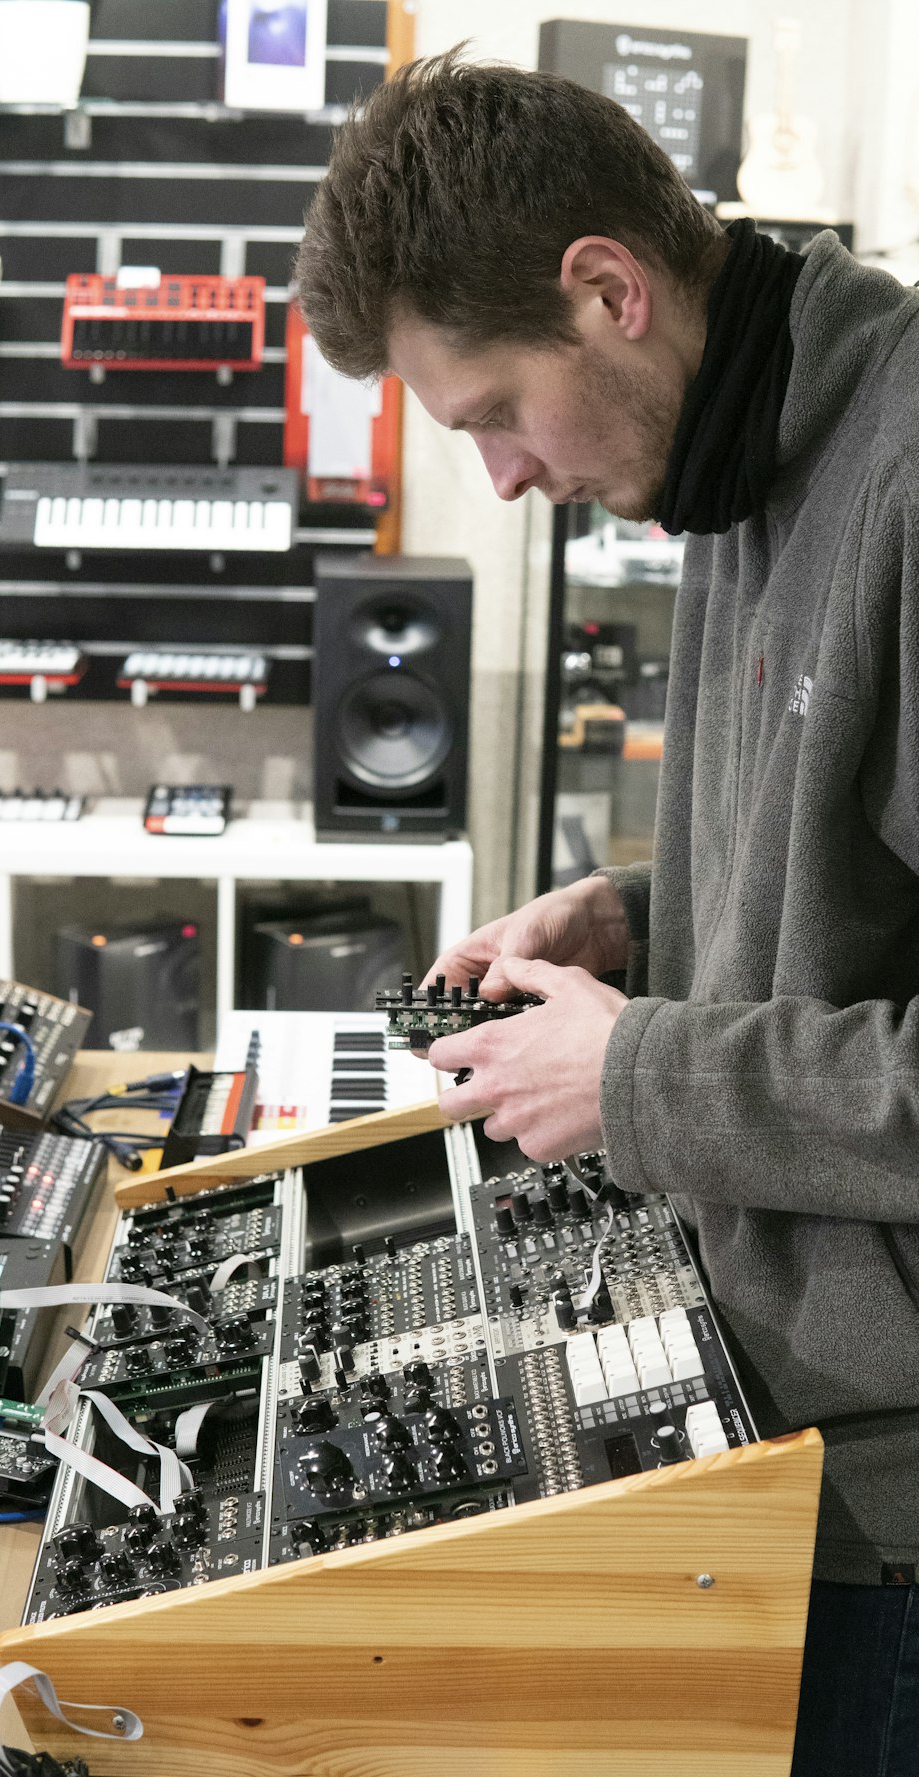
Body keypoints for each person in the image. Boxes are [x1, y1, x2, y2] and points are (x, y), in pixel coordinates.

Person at [293, 47, 919, 1774]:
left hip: (891, 1504)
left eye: (493, 411)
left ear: (608, 291)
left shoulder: (905, 481)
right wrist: (632, 919)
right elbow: (862, 880)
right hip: (782, 1430)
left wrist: (641, 1076)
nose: (496, 477)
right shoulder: (730, 456)